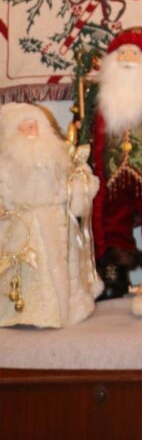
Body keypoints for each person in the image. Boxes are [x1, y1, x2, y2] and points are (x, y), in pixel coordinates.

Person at [83, 26, 142, 298]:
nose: (127, 59)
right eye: (121, 54)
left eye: (134, 54)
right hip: (113, 175)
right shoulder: (101, 98)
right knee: (111, 224)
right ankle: (113, 279)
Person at [0, 103, 102, 327]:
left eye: (34, 126)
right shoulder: (6, 164)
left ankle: (68, 309)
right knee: (29, 274)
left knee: (63, 265)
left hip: (57, 222)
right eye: (25, 127)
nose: (31, 132)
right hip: (22, 227)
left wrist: (79, 184)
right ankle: (29, 312)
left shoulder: (57, 157)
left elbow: (73, 185)